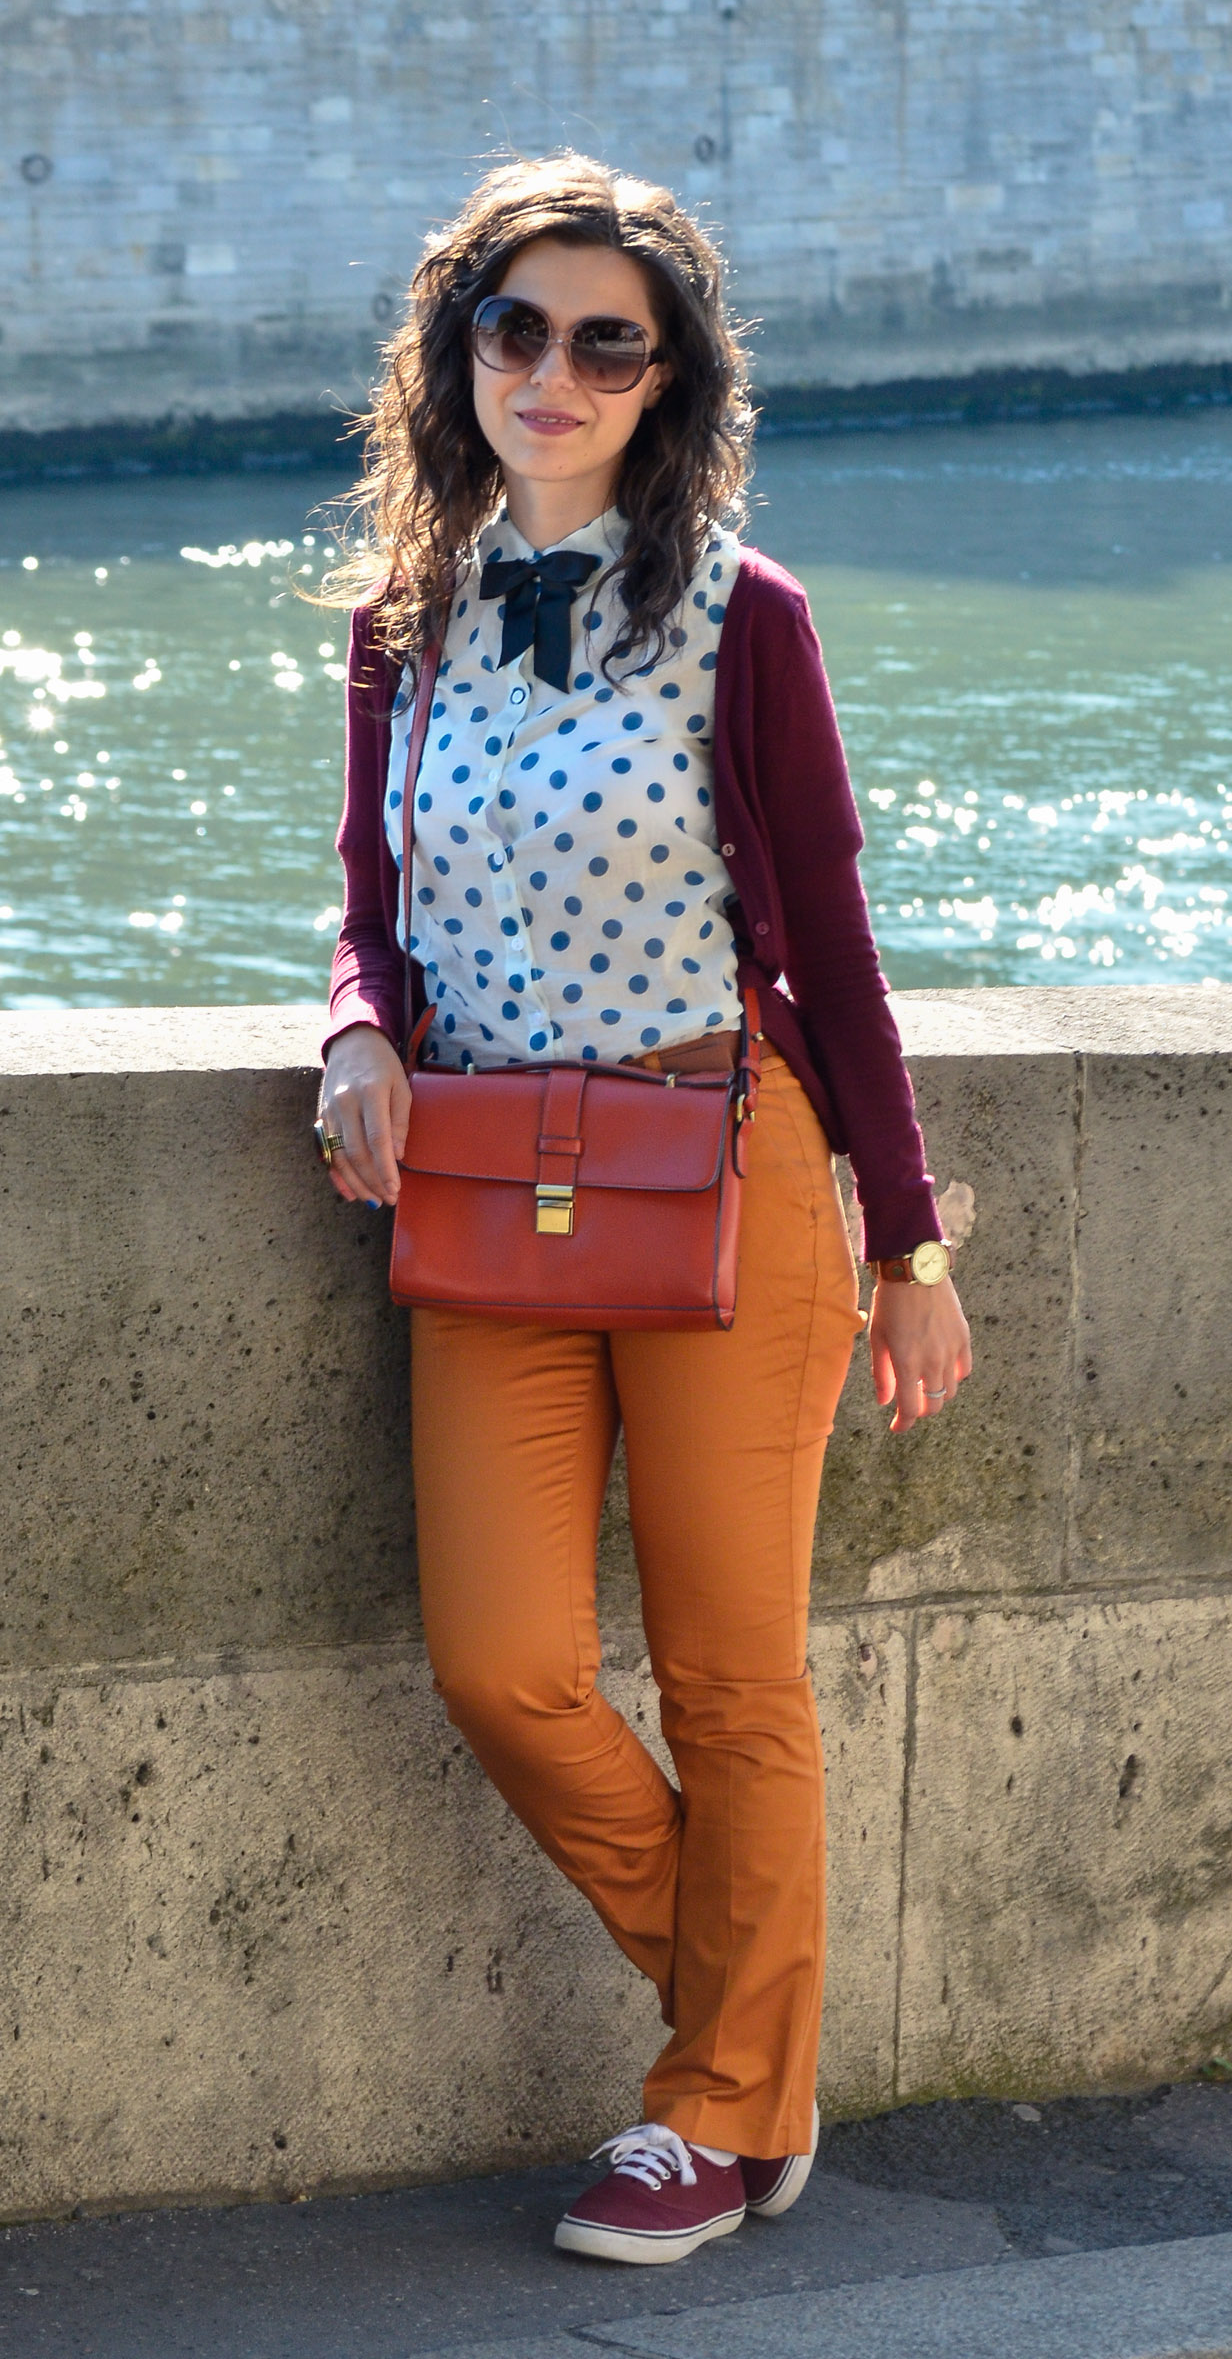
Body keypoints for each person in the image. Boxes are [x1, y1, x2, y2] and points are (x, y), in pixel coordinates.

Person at [315, 153, 971, 2266]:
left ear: (667, 374)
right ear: (460, 351)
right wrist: (355, 1033)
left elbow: (839, 951)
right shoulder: (399, 621)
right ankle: (753, 2028)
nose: (557, 370)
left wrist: (908, 1246)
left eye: (611, 337)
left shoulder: (742, 616)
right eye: (518, 328)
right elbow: (368, 909)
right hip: (490, 1186)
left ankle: (712, 2104)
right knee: (503, 1659)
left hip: (731, 1168)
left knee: (730, 1674)